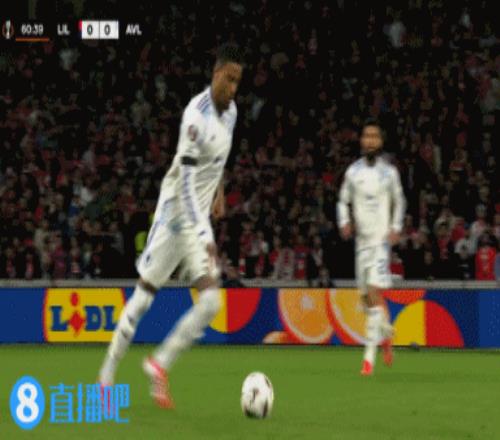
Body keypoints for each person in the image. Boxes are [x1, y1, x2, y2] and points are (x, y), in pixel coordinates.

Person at [98, 44, 244, 408]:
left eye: (237, 81)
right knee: (142, 299)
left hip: (199, 220)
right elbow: (187, 184)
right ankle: (106, 376)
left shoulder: (232, 113)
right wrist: (204, 233)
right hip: (176, 216)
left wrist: (219, 192)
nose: (233, 88)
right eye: (228, 79)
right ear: (215, 73)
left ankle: (158, 364)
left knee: (211, 302)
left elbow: (218, 161)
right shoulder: (195, 117)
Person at [337, 119, 405, 376]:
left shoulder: (390, 173)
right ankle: (386, 334)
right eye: (367, 136)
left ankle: (368, 360)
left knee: (375, 294)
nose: (370, 141)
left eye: (375, 136)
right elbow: (342, 201)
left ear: (381, 141)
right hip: (361, 244)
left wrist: (396, 227)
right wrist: (344, 222)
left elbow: (399, 201)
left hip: (380, 242)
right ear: (362, 141)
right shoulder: (353, 172)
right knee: (367, 301)